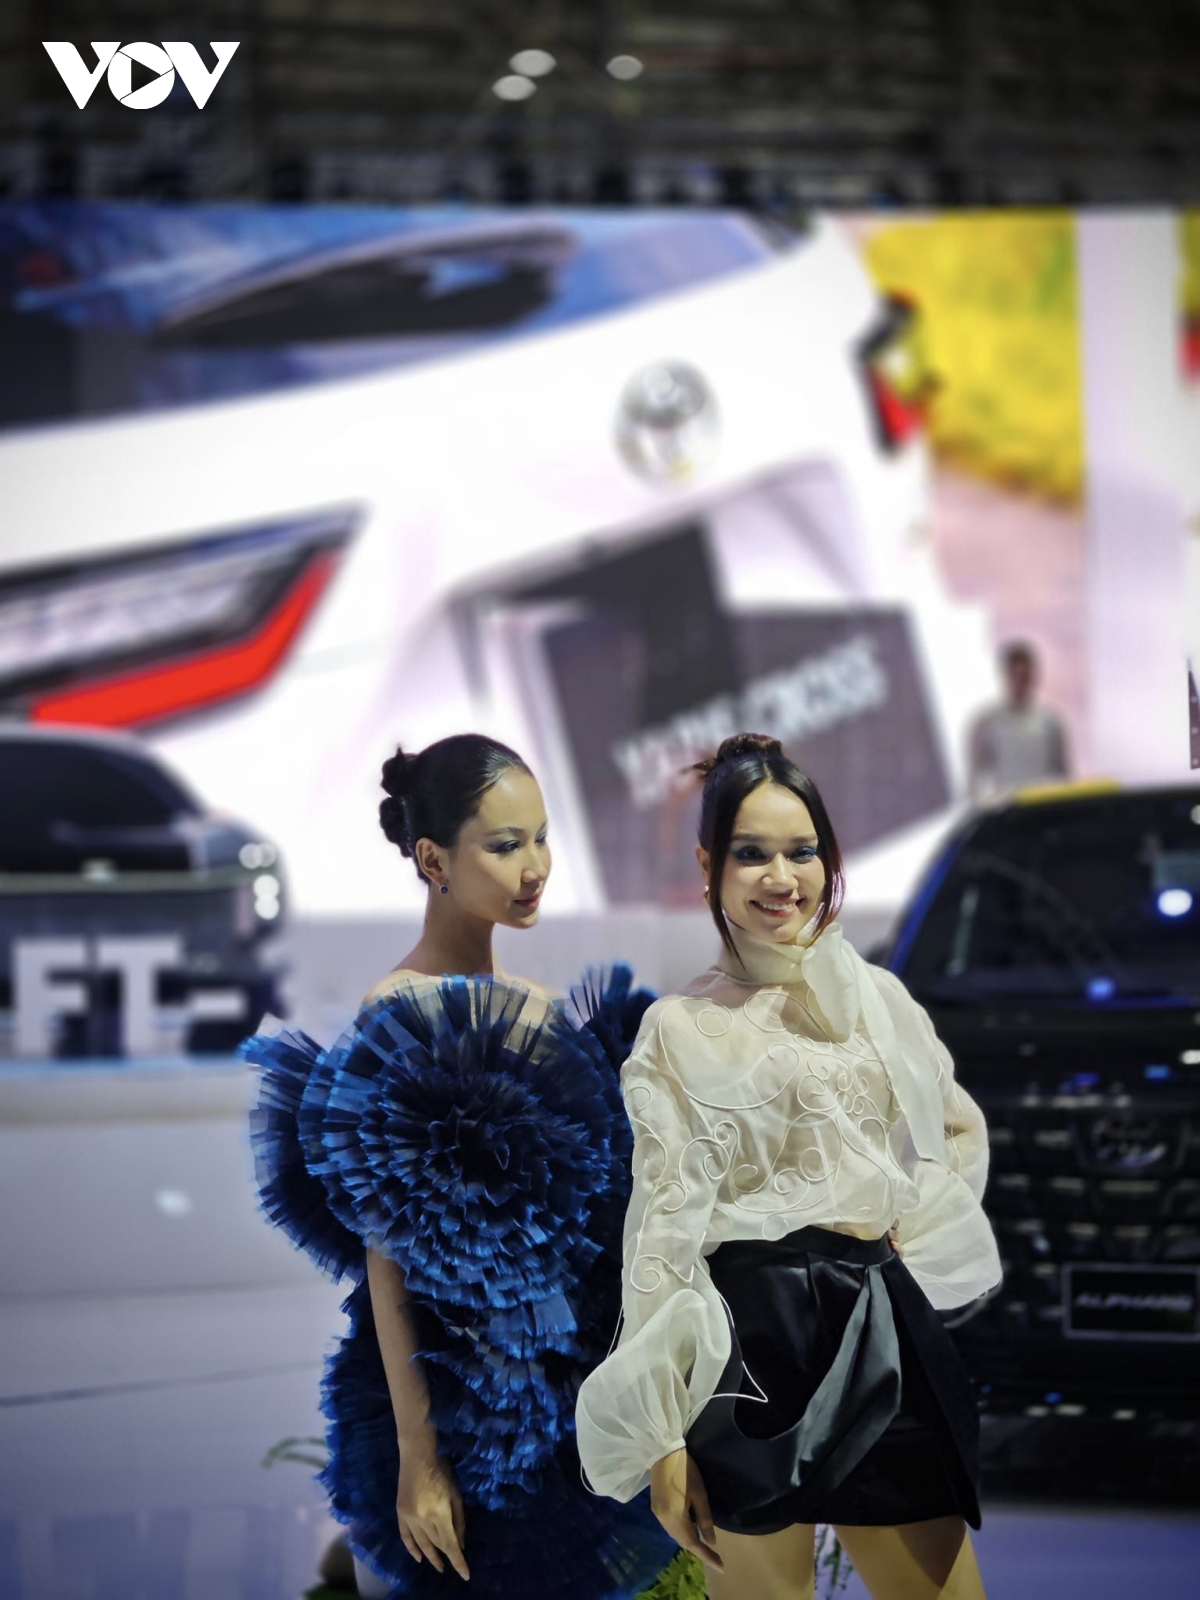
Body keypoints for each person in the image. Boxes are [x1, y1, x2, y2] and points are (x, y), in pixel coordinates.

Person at [245, 733, 682, 1599]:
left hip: (564, 1398)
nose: (535, 867)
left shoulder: (546, 1015)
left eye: (543, 838)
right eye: (506, 844)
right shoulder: (397, 1015)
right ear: (433, 859)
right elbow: (386, 1267)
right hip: (444, 1406)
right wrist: (419, 1458)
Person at [576, 733, 1003, 1600]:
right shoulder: (678, 1028)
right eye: (752, 853)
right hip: (748, 1346)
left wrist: (907, 1232)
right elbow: (663, 1231)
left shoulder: (879, 998)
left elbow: (957, 1129)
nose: (783, 877)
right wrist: (662, 1436)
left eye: (802, 851)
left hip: (877, 1325)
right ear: (709, 864)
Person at [967, 640, 1070, 801]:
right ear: (1005, 676)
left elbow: (1063, 777)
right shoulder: (987, 722)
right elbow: (974, 780)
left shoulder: (1050, 723)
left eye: (1025, 676)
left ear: (1033, 677)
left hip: (1042, 805)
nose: (1020, 683)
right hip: (1006, 807)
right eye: (1014, 675)